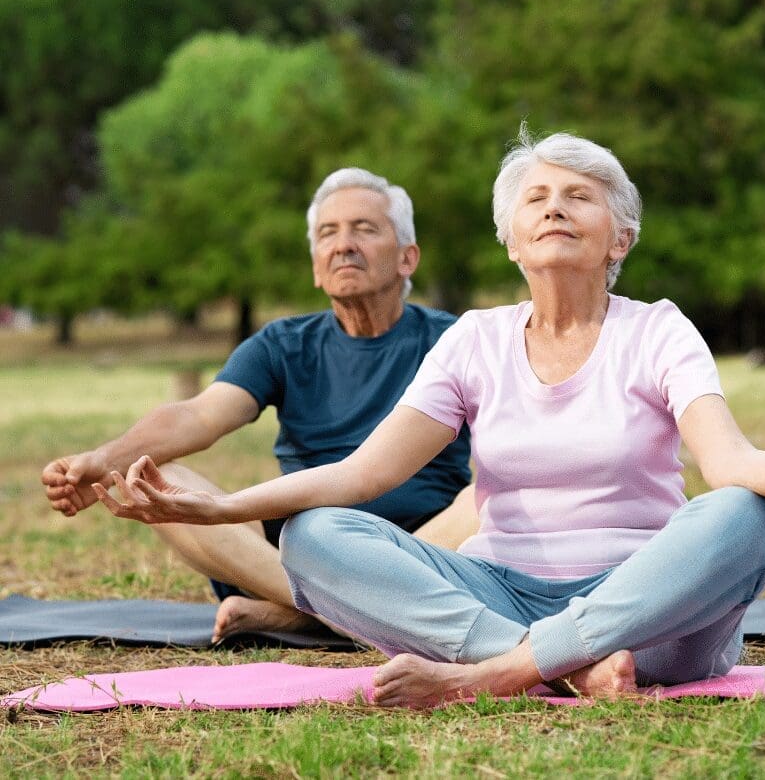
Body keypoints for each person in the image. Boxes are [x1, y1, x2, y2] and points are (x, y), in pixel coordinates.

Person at [94, 129, 765, 708]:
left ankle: (497, 674)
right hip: (501, 595)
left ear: (618, 234)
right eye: (537, 197)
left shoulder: (658, 328)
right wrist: (221, 506)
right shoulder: (475, 340)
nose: (555, 207)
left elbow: (727, 462)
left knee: (743, 516)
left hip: (649, 612)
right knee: (316, 534)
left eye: (579, 197)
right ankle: (551, 665)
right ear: (511, 238)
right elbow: (362, 475)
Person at [41, 167, 475, 643]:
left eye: (365, 229)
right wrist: (105, 460)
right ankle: (341, 611)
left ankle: (300, 614)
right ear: (315, 265)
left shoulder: (456, 339)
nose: (343, 245)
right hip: (297, 548)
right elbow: (201, 415)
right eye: (328, 234)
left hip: (422, 544)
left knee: (486, 500)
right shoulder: (282, 344)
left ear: (407, 258)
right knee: (153, 477)